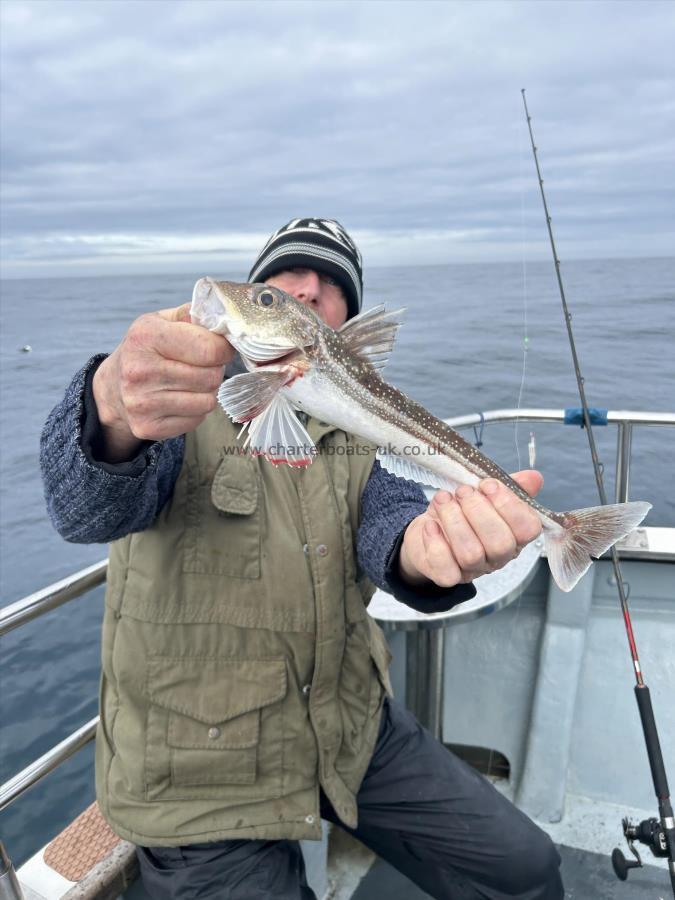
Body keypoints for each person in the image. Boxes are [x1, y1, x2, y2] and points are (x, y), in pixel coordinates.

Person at [40, 217, 563, 899]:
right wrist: (108, 408)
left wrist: (424, 557)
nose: (310, 287)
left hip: (348, 729)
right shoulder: (175, 411)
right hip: (200, 774)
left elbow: (391, 525)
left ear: (340, 330)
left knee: (526, 869)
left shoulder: (353, 432)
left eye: (334, 284)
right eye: (279, 284)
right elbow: (86, 510)